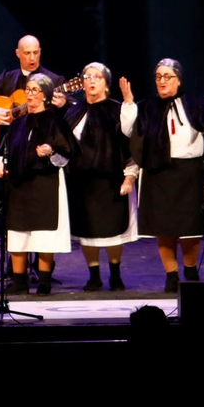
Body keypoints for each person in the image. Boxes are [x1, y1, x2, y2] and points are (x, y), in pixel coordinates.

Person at [119, 59, 204, 292]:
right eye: (158, 76)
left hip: (188, 173)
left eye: (167, 76)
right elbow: (130, 131)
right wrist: (128, 103)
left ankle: (190, 268)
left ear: (178, 79)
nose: (162, 81)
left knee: (190, 226)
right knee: (164, 227)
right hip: (157, 172)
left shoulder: (194, 103)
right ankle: (171, 274)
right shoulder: (148, 107)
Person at [0, 73, 76, 294]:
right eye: (28, 90)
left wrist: (51, 152)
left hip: (45, 184)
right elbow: (5, 149)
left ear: (45, 96)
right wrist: (1, 164)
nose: (29, 95)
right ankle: (19, 280)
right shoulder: (17, 123)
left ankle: (43, 281)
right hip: (19, 185)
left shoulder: (55, 122)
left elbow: (67, 153)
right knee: (18, 233)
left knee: (44, 235)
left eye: (34, 91)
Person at [64, 63, 139, 291]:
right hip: (82, 181)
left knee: (113, 232)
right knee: (87, 232)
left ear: (106, 83)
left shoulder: (118, 110)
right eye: (87, 77)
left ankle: (115, 275)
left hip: (111, 180)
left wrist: (129, 176)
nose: (91, 81)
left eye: (97, 77)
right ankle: (94, 275)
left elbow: (131, 143)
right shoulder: (74, 111)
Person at [0, 34, 65, 128]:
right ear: (18, 53)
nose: (32, 58)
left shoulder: (55, 80)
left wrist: (63, 105)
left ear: (40, 52)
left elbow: (72, 113)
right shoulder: (7, 77)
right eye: (27, 53)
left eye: (35, 53)